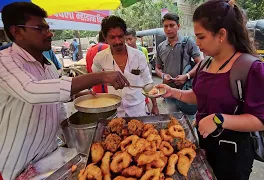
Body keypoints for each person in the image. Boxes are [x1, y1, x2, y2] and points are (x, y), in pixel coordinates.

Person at [0, 3, 129, 179]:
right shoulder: (5, 62)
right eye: (40, 28)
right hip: (17, 165)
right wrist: (100, 76)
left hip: (50, 155)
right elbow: (32, 91)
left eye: (48, 28)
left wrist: (79, 95)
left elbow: (55, 92)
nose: (50, 33)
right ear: (17, 32)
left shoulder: (47, 65)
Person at [156, 0, 264, 179]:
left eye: (201, 36)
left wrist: (219, 119)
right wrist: (174, 92)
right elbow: (201, 97)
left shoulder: (252, 68)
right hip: (206, 144)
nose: (197, 42)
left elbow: (263, 120)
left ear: (221, 34)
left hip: (234, 153)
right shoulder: (206, 63)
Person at [92, 16, 159, 116]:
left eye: (120, 36)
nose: (118, 41)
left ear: (124, 35)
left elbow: (148, 83)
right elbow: (94, 75)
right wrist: (105, 80)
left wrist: (155, 105)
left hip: (138, 110)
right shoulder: (100, 57)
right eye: (112, 37)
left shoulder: (139, 56)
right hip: (115, 111)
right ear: (105, 38)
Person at [155, 13, 201, 119]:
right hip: (168, 92)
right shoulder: (160, 47)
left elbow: (200, 63)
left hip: (186, 90)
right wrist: (163, 76)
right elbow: (157, 68)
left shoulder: (188, 42)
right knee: (174, 120)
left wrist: (187, 76)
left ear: (178, 26)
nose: (168, 29)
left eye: (172, 25)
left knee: (189, 119)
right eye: (166, 26)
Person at [125, 28, 158, 114]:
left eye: (130, 39)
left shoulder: (142, 51)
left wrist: (154, 105)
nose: (128, 42)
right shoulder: (123, 53)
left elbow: (147, 77)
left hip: (142, 91)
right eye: (126, 39)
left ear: (135, 38)